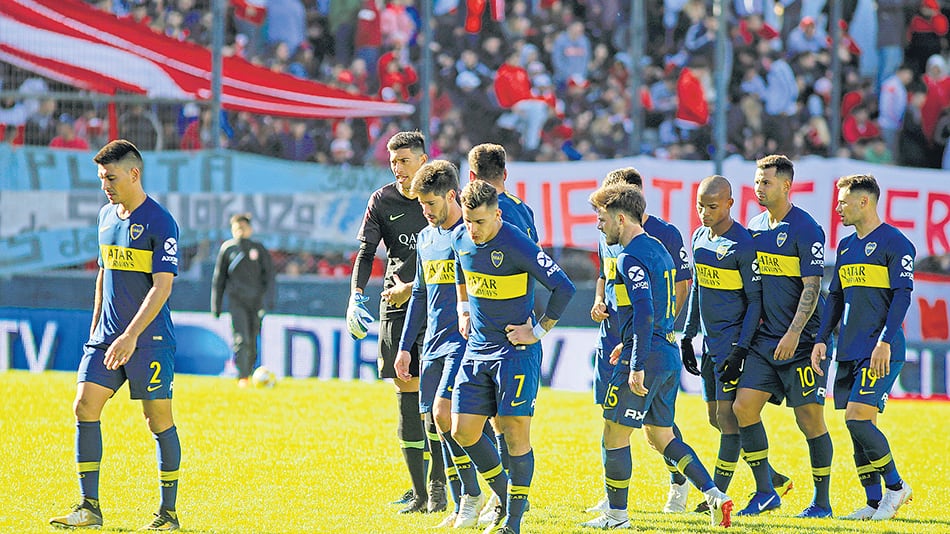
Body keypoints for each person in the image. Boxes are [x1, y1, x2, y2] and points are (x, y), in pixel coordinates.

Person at [583, 183, 733, 529]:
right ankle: (715, 495)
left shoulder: (629, 256)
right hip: (664, 352)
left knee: (614, 434)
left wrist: (635, 360)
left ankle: (616, 516)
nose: (599, 225)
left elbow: (645, 309)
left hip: (646, 357)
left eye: (602, 218)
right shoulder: (657, 250)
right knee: (661, 435)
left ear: (621, 218)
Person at [49, 140, 181, 530]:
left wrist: (130, 336)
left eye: (110, 177)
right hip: (107, 337)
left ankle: (167, 513)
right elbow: (104, 273)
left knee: (157, 420)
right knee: (84, 405)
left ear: (134, 174)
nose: (104, 184)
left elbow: (162, 287)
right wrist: (97, 330)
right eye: (101, 178)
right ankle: (89, 507)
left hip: (149, 339)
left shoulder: (160, 222)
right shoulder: (106, 216)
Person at [450, 180, 576, 534]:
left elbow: (563, 287)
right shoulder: (461, 238)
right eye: (469, 221)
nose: (473, 230)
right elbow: (460, 266)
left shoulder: (518, 243)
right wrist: (463, 308)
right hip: (477, 349)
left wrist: (537, 331)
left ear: (498, 214)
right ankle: (506, 496)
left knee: (515, 430)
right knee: (462, 430)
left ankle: (514, 523)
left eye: (480, 222)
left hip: (515, 353)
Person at [346, 130, 446, 514]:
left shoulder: (443, 195)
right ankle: (420, 491)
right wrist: (355, 296)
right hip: (395, 306)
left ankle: (439, 486)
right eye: (393, 163)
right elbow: (366, 252)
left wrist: (414, 286)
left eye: (404, 161)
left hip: (435, 304)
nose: (398, 169)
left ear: (423, 160)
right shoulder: (382, 200)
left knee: (434, 397)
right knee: (405, 393)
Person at [680, 175, 792, 512]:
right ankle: (772, 478)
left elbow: (755, 302)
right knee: (716, 418)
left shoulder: (742, 244)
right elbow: (698, 289)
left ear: (730, 203)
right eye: (700, 205)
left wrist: (741, 349)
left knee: (729, 421)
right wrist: (687, 334)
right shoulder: (699, 237)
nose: (704, 213)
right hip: (709, 345)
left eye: (712, 206)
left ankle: (717, 495)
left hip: (732, 347)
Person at [586, 167, 694, 515]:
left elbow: (682, 284)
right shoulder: (608, 232)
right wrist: (599, 299)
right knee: (613, 415)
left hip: (646, 338)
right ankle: (613, 494)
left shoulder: (662, 234)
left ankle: (677, 484)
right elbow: (605, 273)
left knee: (654, 423)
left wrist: (662, 328)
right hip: (614, 335)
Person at [731, 154, 833, 518]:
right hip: (764, 341)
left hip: (803, 343)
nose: (759, 188)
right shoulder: (754, 227)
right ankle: (765, 491)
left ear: (786, 185)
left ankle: (822, 501)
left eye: (767, 182)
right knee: (742, 408)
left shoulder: (806, 228)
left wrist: (794, 333)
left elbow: (813, 287)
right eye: (757, 181)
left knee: (809, 419)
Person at [811, 174, 915, 521]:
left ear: (864, 202)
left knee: (858, 420)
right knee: (858, 427)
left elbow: (902, 296)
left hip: (880, 349)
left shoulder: (895, 243)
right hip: (851, 349)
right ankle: (873, 502)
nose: (837, 207)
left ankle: (897, 488)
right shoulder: (846, 246)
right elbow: (836, 297)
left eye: (842, 201)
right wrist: (822, 339)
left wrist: (886, 340)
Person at [394, 160, 486, 528]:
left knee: (446, 417)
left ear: (451, 196)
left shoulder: (469, 237)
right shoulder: (425, 238)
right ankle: (465, 499)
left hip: (462, 344)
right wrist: (404, 347)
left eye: (430, 204)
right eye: (421, 205)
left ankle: (478, 493)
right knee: (438, 425)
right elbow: (419, 293)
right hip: (430, 344)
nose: (426, 212)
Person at [466, 141, 539, 524]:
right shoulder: (524, 209)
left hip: (494, 331)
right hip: (519, 324)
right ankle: (507, 500)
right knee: (507, 422)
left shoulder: (484, 215)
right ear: (505, 175)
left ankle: (506, 501)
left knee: (498, 424)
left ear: (472, 177)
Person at [211, 213, 276, 387]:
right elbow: (219, 279)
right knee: (241, 338)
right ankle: (242, 376)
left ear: (250, 229)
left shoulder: (259, 249)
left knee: (254, 337)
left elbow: (269, 276)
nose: (240, 231)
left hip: (255, 302)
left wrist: (268, 300)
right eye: (236, 228)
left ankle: (253, 372)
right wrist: (215, 305)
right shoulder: (228, 249)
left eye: (243, 227)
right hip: (237, 301)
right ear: (232, 230)